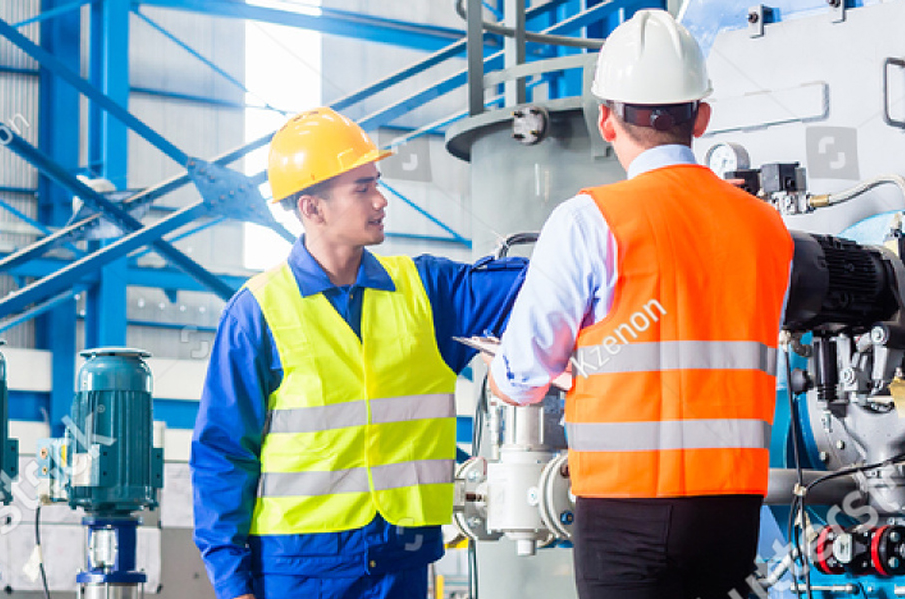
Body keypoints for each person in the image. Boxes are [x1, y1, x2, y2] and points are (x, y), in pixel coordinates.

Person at [486, 10, 793, 599]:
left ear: (605, 120)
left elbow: (525, 373)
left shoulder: (589, 219)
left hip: (625, 515)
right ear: (701, 117)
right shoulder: (767, 227)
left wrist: (506, 378)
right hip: (732, 515)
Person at [192, 107, 526, 599]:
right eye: (362, 188)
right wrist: (231, 581)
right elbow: (222, 452)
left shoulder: (427, 292)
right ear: (313, 209)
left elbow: (535, 286)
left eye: (377, 184)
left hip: (402, 562)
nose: (381, 200)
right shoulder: (256, 312)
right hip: (298, 570)